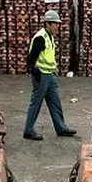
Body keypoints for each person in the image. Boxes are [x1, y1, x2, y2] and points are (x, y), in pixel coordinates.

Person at [23, 10, 77, 141]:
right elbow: (30, 58)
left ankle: (61, 128)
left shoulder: (50, 36)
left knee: (55, 102)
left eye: (58, 24)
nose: (58, 26)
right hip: (41, 76)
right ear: (48, 23)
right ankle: (28, 131)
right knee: (36, 103)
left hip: (50, 75)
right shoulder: (40, 38)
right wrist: (34, 71)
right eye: (55, 24)